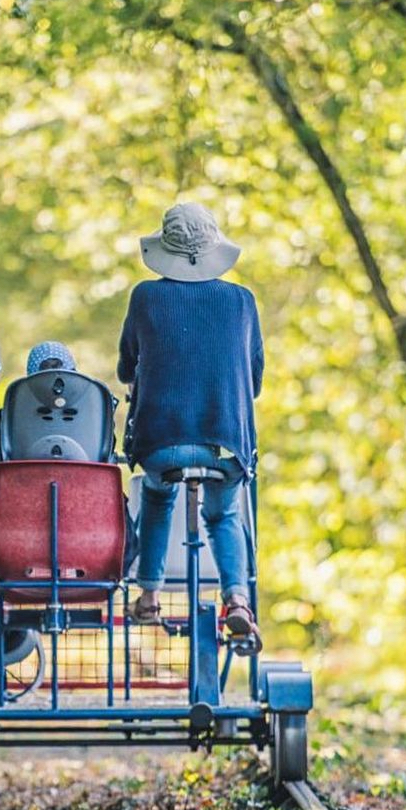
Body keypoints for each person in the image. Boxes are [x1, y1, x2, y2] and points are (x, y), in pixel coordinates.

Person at [117, 202, 263, 646]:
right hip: (225, 444)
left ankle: (149, 596)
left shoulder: (146, 297)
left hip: (163, 443)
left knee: (159, 499)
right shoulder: (241, 301)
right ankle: (237, 599)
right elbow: (254, 379)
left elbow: (127, 368)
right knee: (224, 513)